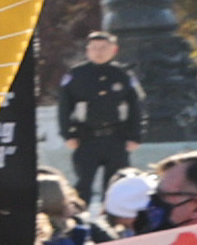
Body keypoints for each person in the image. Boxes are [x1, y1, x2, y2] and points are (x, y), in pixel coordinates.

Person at [60, 32, 147, 193]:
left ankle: (113, 217)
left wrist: (135, 136)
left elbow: (136, 107)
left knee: (115, 185)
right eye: (94, 48)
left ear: (114, 50)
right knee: (83, 183)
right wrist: (68, 135)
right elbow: (64, 108)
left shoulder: (123, 74)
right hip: (86, 138)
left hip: (116, 138)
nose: (98, 52)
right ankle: (79, 215)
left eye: (103, 48)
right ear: (87, 50)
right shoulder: (76, 75)